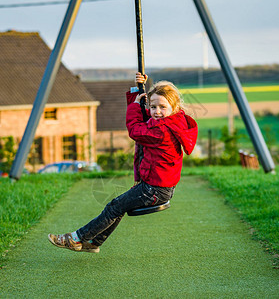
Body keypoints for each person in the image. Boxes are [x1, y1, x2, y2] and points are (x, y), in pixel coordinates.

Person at [48, 73, 198, 253]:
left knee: (114, 207)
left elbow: (135, 129)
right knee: (117, 207)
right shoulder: (171, 122)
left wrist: (135, 105)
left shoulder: (161, 131)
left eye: (162, 107)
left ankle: (76, 238)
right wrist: (138, 90)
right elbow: (144, 120)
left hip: (155, 189)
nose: (157, 111)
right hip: (158, 187)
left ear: (174, 107)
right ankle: (94, 243)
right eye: (153, 106)